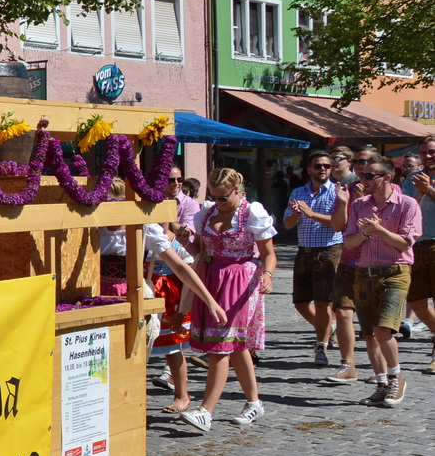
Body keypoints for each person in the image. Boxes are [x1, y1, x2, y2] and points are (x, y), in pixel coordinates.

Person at [181, 169, 277, 431]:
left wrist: (267, 275)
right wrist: (184, 240)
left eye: (223, 197)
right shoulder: (207, 213)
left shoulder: (251, 213)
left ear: (237, 190)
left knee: (221, 344)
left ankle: (206, 411)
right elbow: (200, 251)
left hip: (240, 281)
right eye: (214, 196)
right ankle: (254, 403)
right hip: (211, 278)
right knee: (236, 345)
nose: (218, 202)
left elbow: (269, 253)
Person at [344, 156, 423, 407]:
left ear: (386, 178)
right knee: (369, 334)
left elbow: (405, 243)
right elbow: (349, 243)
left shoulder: (407, 204)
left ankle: (396, 378)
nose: (363, 180)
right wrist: (366, 232)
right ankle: (381, 384)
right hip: (364, 272)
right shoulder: (360, 204)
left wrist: (379, 230)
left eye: (369, 176)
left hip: (395, 272)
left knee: (383, 329)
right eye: (361, 175)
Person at [145, 219, 227, 415]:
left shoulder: (175, 241)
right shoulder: (143, 234)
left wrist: (182, 311)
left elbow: (186, 271)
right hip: (148, 290)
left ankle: (182, 395)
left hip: (171, 296)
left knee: (173, 347)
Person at [284, 151, 345, 365]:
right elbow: (287, 225)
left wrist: (311, 214)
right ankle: (329, 328)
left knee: (323, 302)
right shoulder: (298, 192)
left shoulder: (337, 192)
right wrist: (296, 214)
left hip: (329, 251)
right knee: (300, 303)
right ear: (309, 169)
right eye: (318, 166)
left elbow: (339, 224)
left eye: (327, 166)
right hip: (305, 251)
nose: (323, 169)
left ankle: (321, 346)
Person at [405, 148, 435, 373]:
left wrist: (429, 190)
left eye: (432, 151)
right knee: (415, 301)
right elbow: (405, 209)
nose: (428, 156)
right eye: (424, 152)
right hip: (415, 246)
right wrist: (418, 192)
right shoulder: (411, 178)